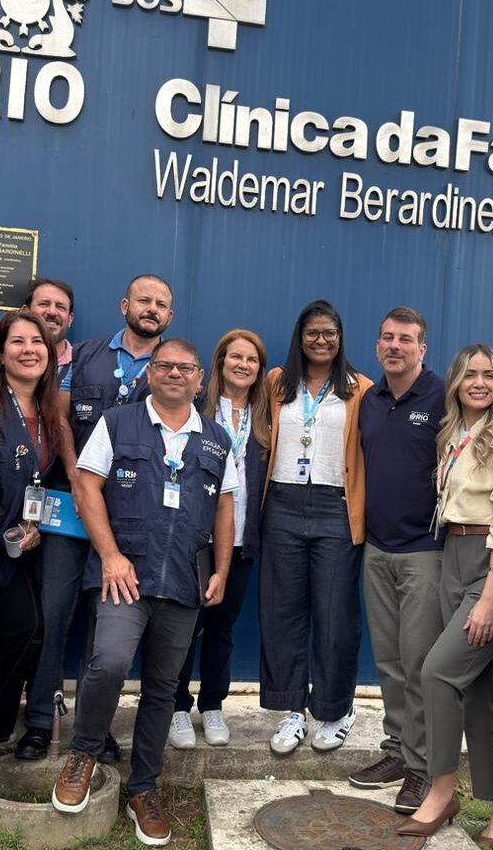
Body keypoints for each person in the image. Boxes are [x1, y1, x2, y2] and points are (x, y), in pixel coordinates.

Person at [52, 339, 235, 848]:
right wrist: (110, 554)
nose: (175, 373)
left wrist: (221, 569)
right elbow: (86, 487)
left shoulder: (218, 439)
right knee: (108, 661)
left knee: (163, 685)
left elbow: (224, 509)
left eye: (185, 368)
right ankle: (84, 754)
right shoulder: (116, 422)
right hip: (123, 573)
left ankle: (144, 787)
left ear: (200, 379)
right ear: (150, 374)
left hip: (183, 579)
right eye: (165, 366)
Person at [28, 274, 174, 764]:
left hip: (131, 519)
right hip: (72, 507)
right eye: (144, 300)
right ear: (124, 304)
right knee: (54, 614)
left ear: (169, 317)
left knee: (105, 623)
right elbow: (63, 419)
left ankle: (96, 728)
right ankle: (40, 721)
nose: (151, 309)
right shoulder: (85, 356)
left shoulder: (172, 366)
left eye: (161, 305)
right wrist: (75, 474)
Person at [399, 344, 493, 843]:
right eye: (469, 374)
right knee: (476, 694)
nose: (478, 382)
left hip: (489, 566)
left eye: (488, 375)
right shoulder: (452, 432)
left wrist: (491, 596)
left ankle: (440, 792)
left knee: (437, 671)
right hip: (452, 554)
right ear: (455, 382)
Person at [259, 300, 373, 755]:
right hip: (282, 503)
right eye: (312, 333)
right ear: (300, 337)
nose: (321, 341)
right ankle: (292, 711)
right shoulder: (276, 382)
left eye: (329, 333)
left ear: (341, 338)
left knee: (335, 614)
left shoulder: (359, 388)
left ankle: (336, 708)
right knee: (283, 613)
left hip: (335, 507)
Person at [346, 307, 445, 814]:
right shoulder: (369, 399)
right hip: (378, 548)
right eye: (387, 337)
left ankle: (422, 768)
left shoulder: (443, 396)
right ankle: (396, 751)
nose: (394, 346)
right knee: (388, 660)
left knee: (419, 662)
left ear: (422, 349)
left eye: (406, 339)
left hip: (425, 550)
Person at [168, 329, 270, 750]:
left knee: (222, 627)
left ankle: (212, 705)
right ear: (220, 363)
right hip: (195, 538)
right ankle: (175, 707)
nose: (243, 365)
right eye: (235, 357)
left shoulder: (267, 416)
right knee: (184, 626)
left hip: (241, 538)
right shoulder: (196, 408)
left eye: (252, 359)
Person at [0, 308, 58, 742]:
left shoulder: (49, 407)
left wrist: (33, 524)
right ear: (1, 354)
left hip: (16, 546)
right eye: (18, 342)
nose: (29, 350)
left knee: (24, 629)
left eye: (37, 342)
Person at [0, 277, 75, 381]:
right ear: (25, 312)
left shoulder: (81, 366)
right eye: (44, 304)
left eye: (60, 307)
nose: (52, 312)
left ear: (70, 319)